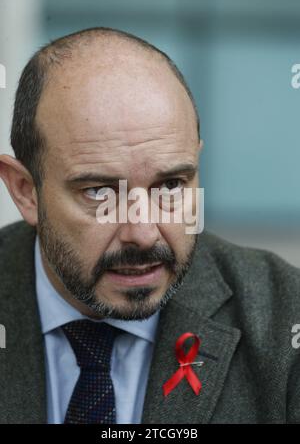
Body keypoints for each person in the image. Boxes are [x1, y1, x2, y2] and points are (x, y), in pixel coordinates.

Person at [0, 27, 299, 425]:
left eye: (171, 185)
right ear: (25, 191)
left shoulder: (285, 321)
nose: (143, 233)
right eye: (100, 193)